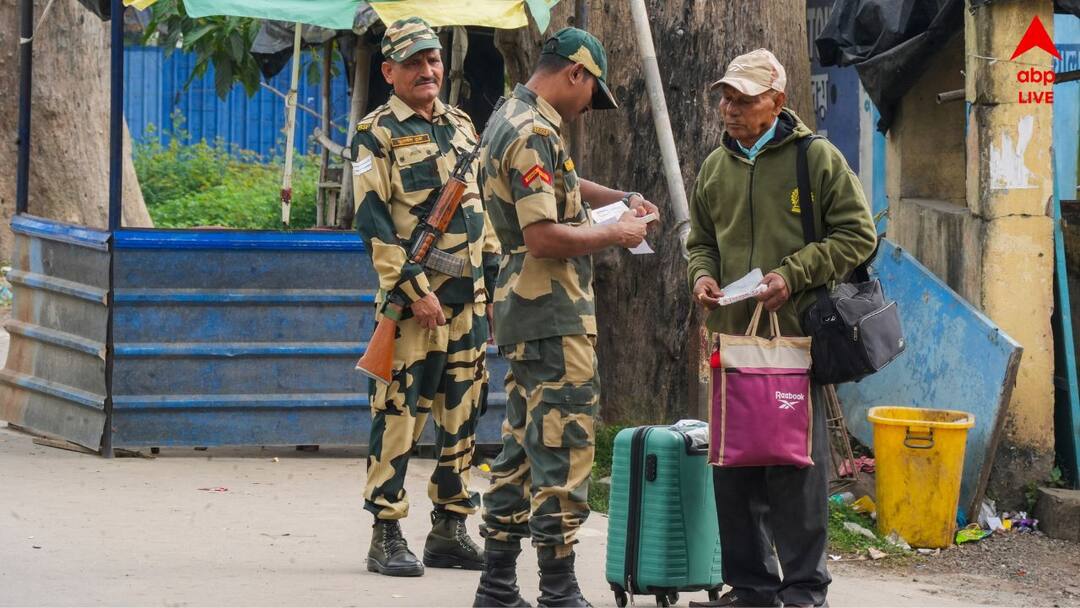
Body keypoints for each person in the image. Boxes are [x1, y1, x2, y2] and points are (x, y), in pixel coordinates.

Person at [471, 27, 659, 608]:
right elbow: (543, 235)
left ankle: (498, 584)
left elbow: (563, 187)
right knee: (566, 446)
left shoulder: (513, 116)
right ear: (575, 73)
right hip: (552, 313)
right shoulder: (532, 131)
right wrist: (617, 232)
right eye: (589, 94)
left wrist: (619, 199)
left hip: (528, 313)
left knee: (523, 449)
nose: (587, 109)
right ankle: (558, 589)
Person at [686, 49, 876, 608]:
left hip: (792, 341)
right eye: (726, 97)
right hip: (731, 343)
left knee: (796, 469)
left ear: (778, 103)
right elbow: (700, 239)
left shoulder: (814, 159)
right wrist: (701, 276)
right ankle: (750, 589)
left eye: (744, 99)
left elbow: (857, 235)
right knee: (734, 469)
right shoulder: (714, 168)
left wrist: (792, 275)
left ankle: (803, 591)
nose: (731, 109)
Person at [350, 16, 500, 578]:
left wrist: (488, 290)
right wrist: (415, 293)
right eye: (413, 63)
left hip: (468, 304)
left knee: (462, 416)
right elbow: (373, 226)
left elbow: (481, 215)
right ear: (389, 71)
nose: (427, 70)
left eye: (433, 60)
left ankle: (450, 528)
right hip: (414, 309)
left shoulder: (463, 127)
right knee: (399, 417)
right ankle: (386, 532)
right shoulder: (376, 133)